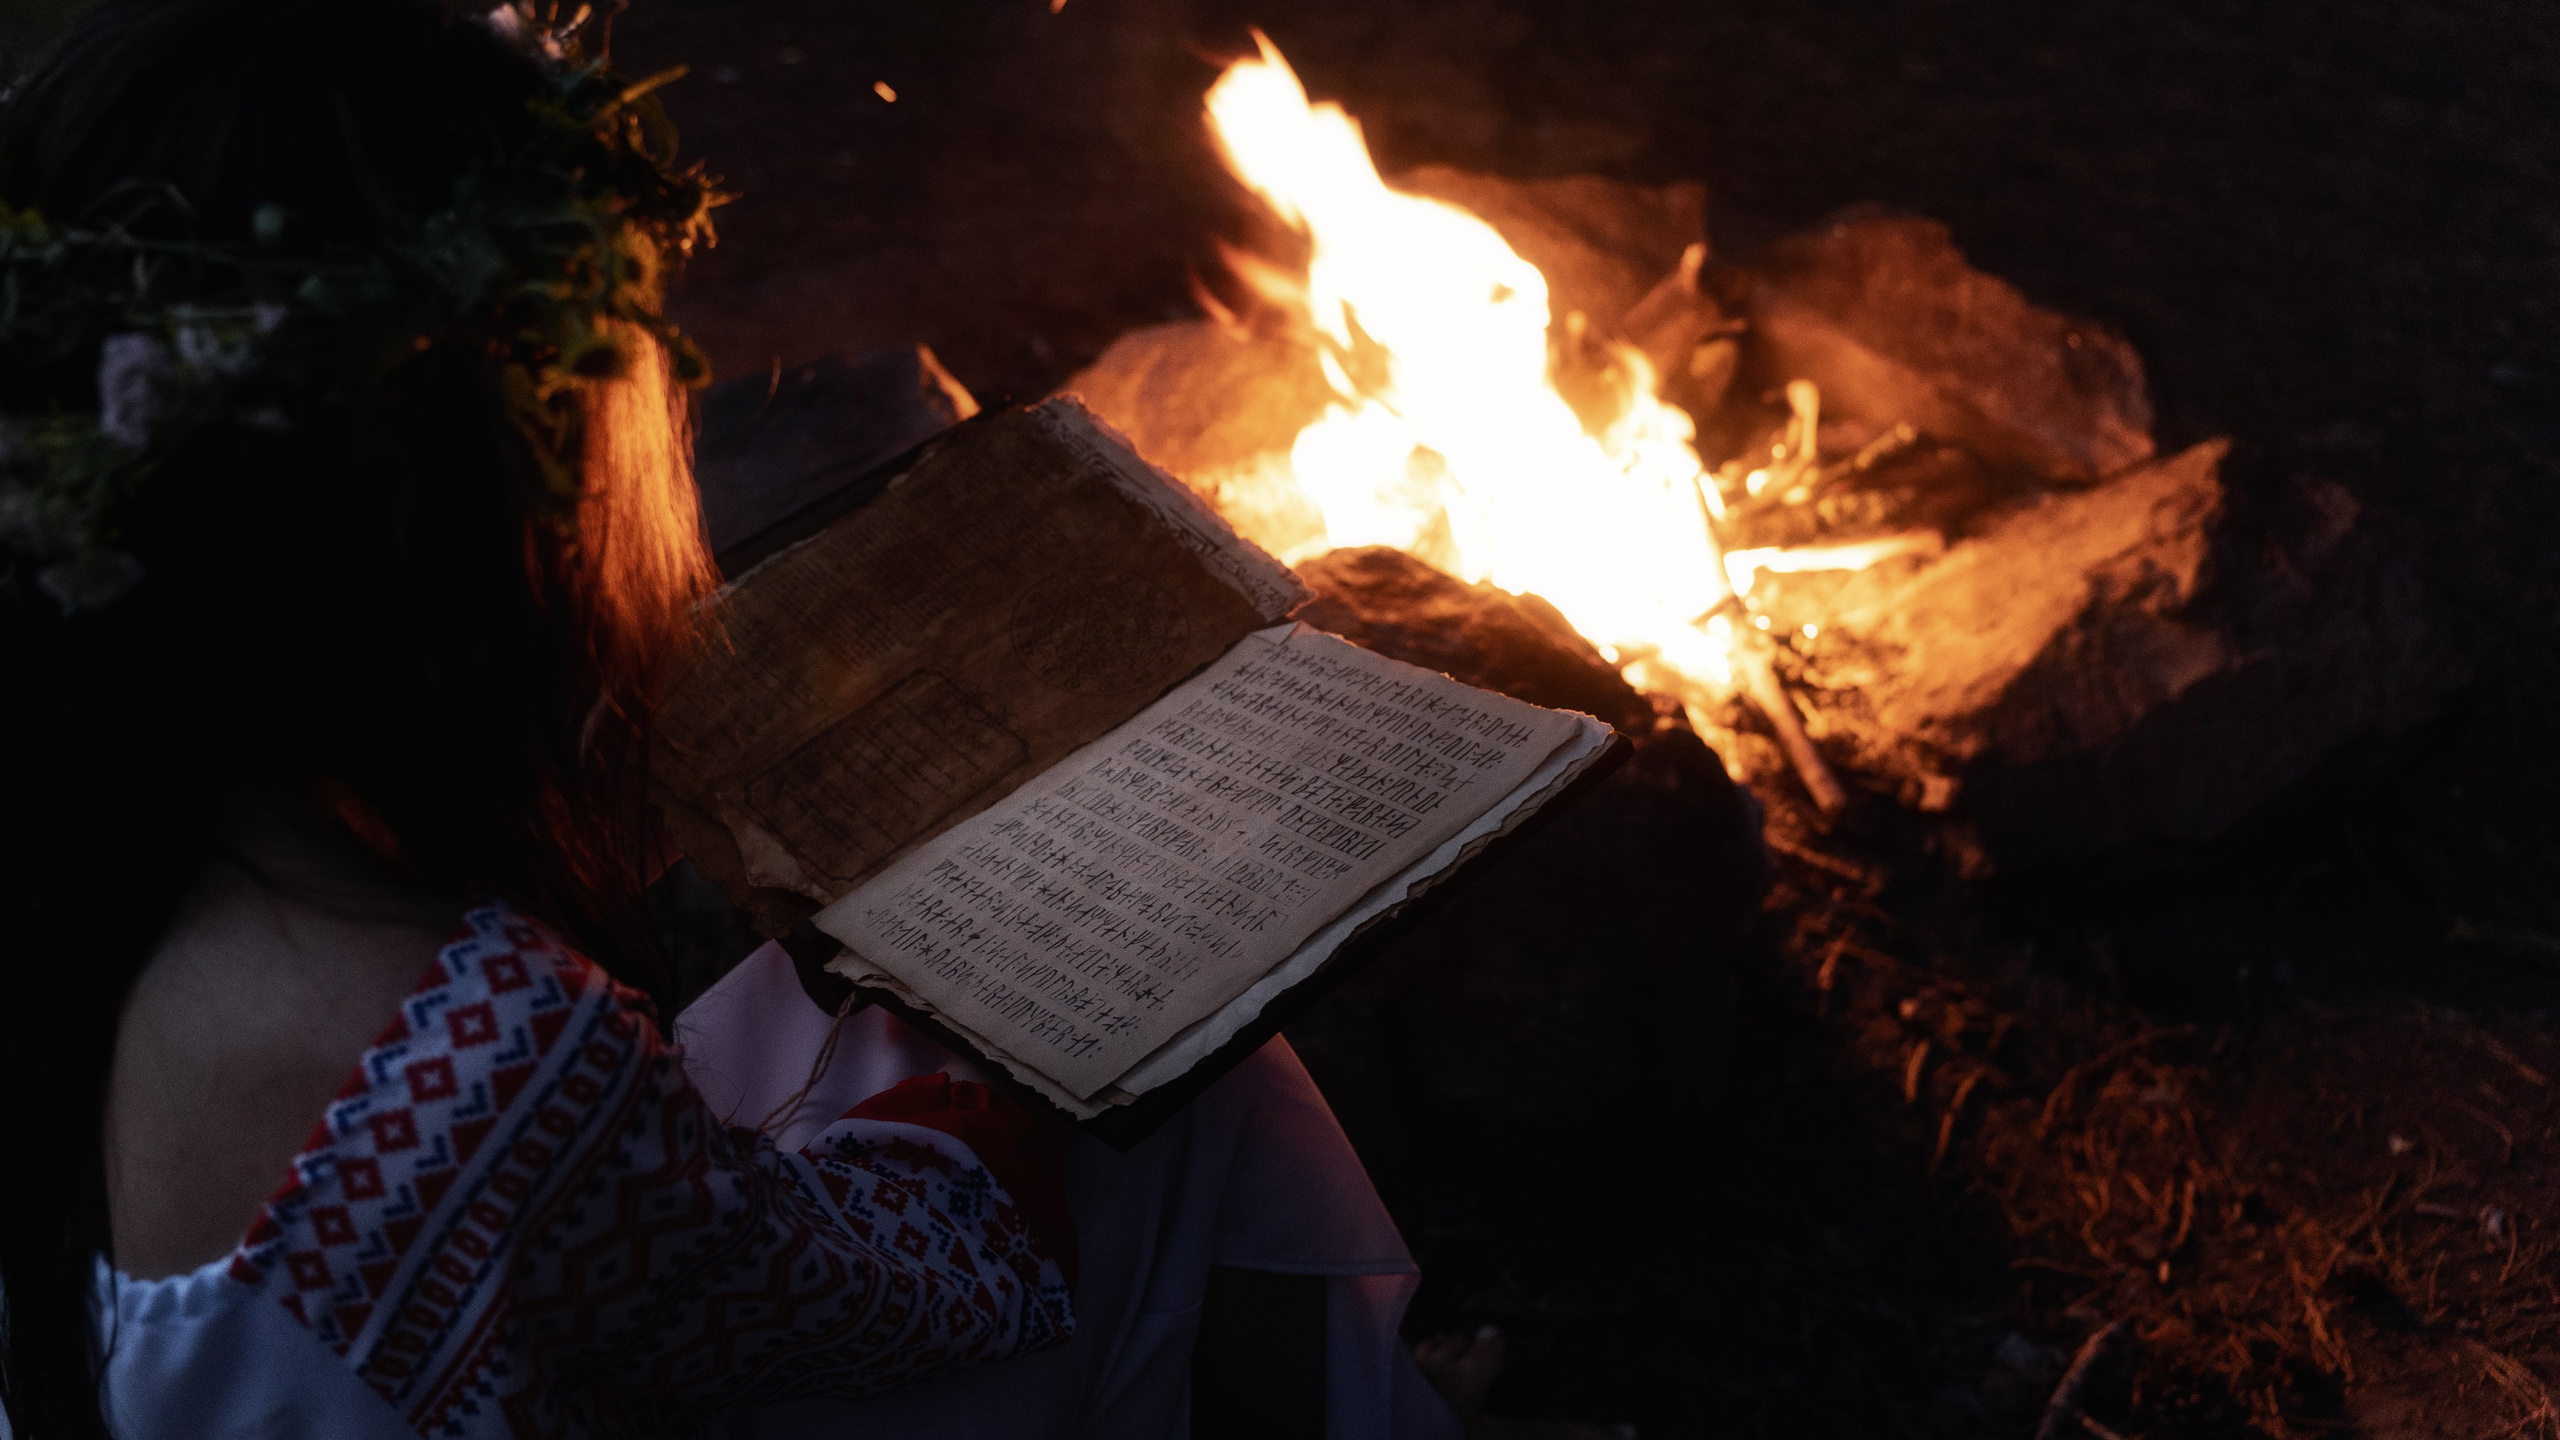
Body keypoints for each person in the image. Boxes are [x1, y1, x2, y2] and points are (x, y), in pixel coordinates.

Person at [0, 2, 1459, 1436]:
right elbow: (856, 1299)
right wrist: (979, 1141)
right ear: (476, 510)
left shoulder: (99, 854)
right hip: (706, 1322)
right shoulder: (476, 1042)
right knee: (1180, 1084)